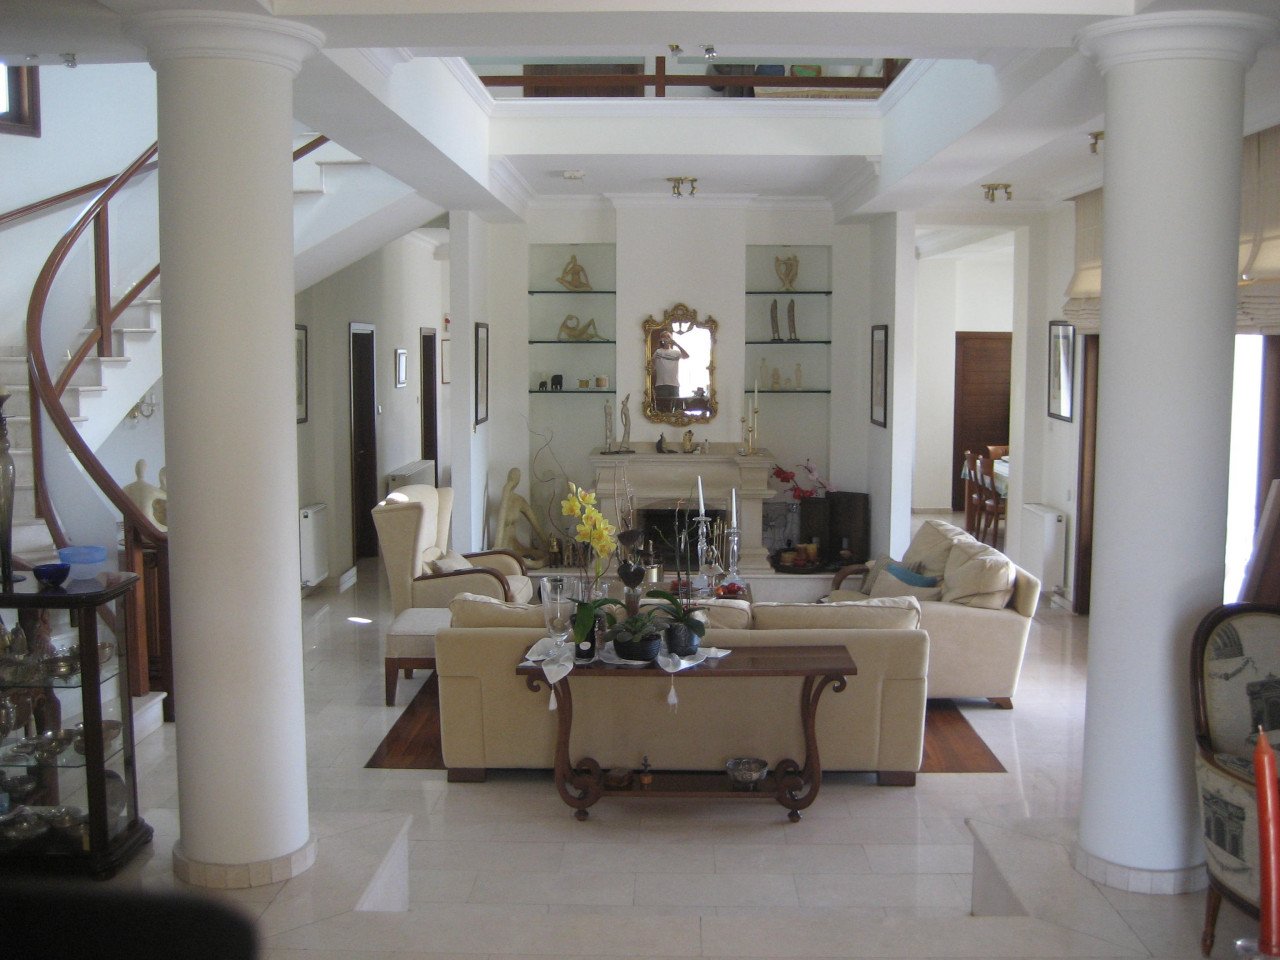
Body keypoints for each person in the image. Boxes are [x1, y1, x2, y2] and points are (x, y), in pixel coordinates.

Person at [494, 467, 550, 567]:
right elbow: (501, 521)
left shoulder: (519, 501)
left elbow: (535, 524)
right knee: (530, 563)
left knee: (541, 560)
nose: (514, 479)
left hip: (515, 546)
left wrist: (547, 544)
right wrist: (507, 488)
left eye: (517, 477)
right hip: (502, 548)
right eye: (512, 476)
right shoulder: (504, 498)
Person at [651, 331, 689, 412]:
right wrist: (659, 344)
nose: (666, 338)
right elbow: (650, 360)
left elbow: (686, 356)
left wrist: (676, 344)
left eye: (668, 337)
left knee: (676, 410)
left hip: (674, 384)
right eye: (664, 337)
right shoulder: (658, 352)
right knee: (662, 410)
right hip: (661, 384)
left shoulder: (676, 353)